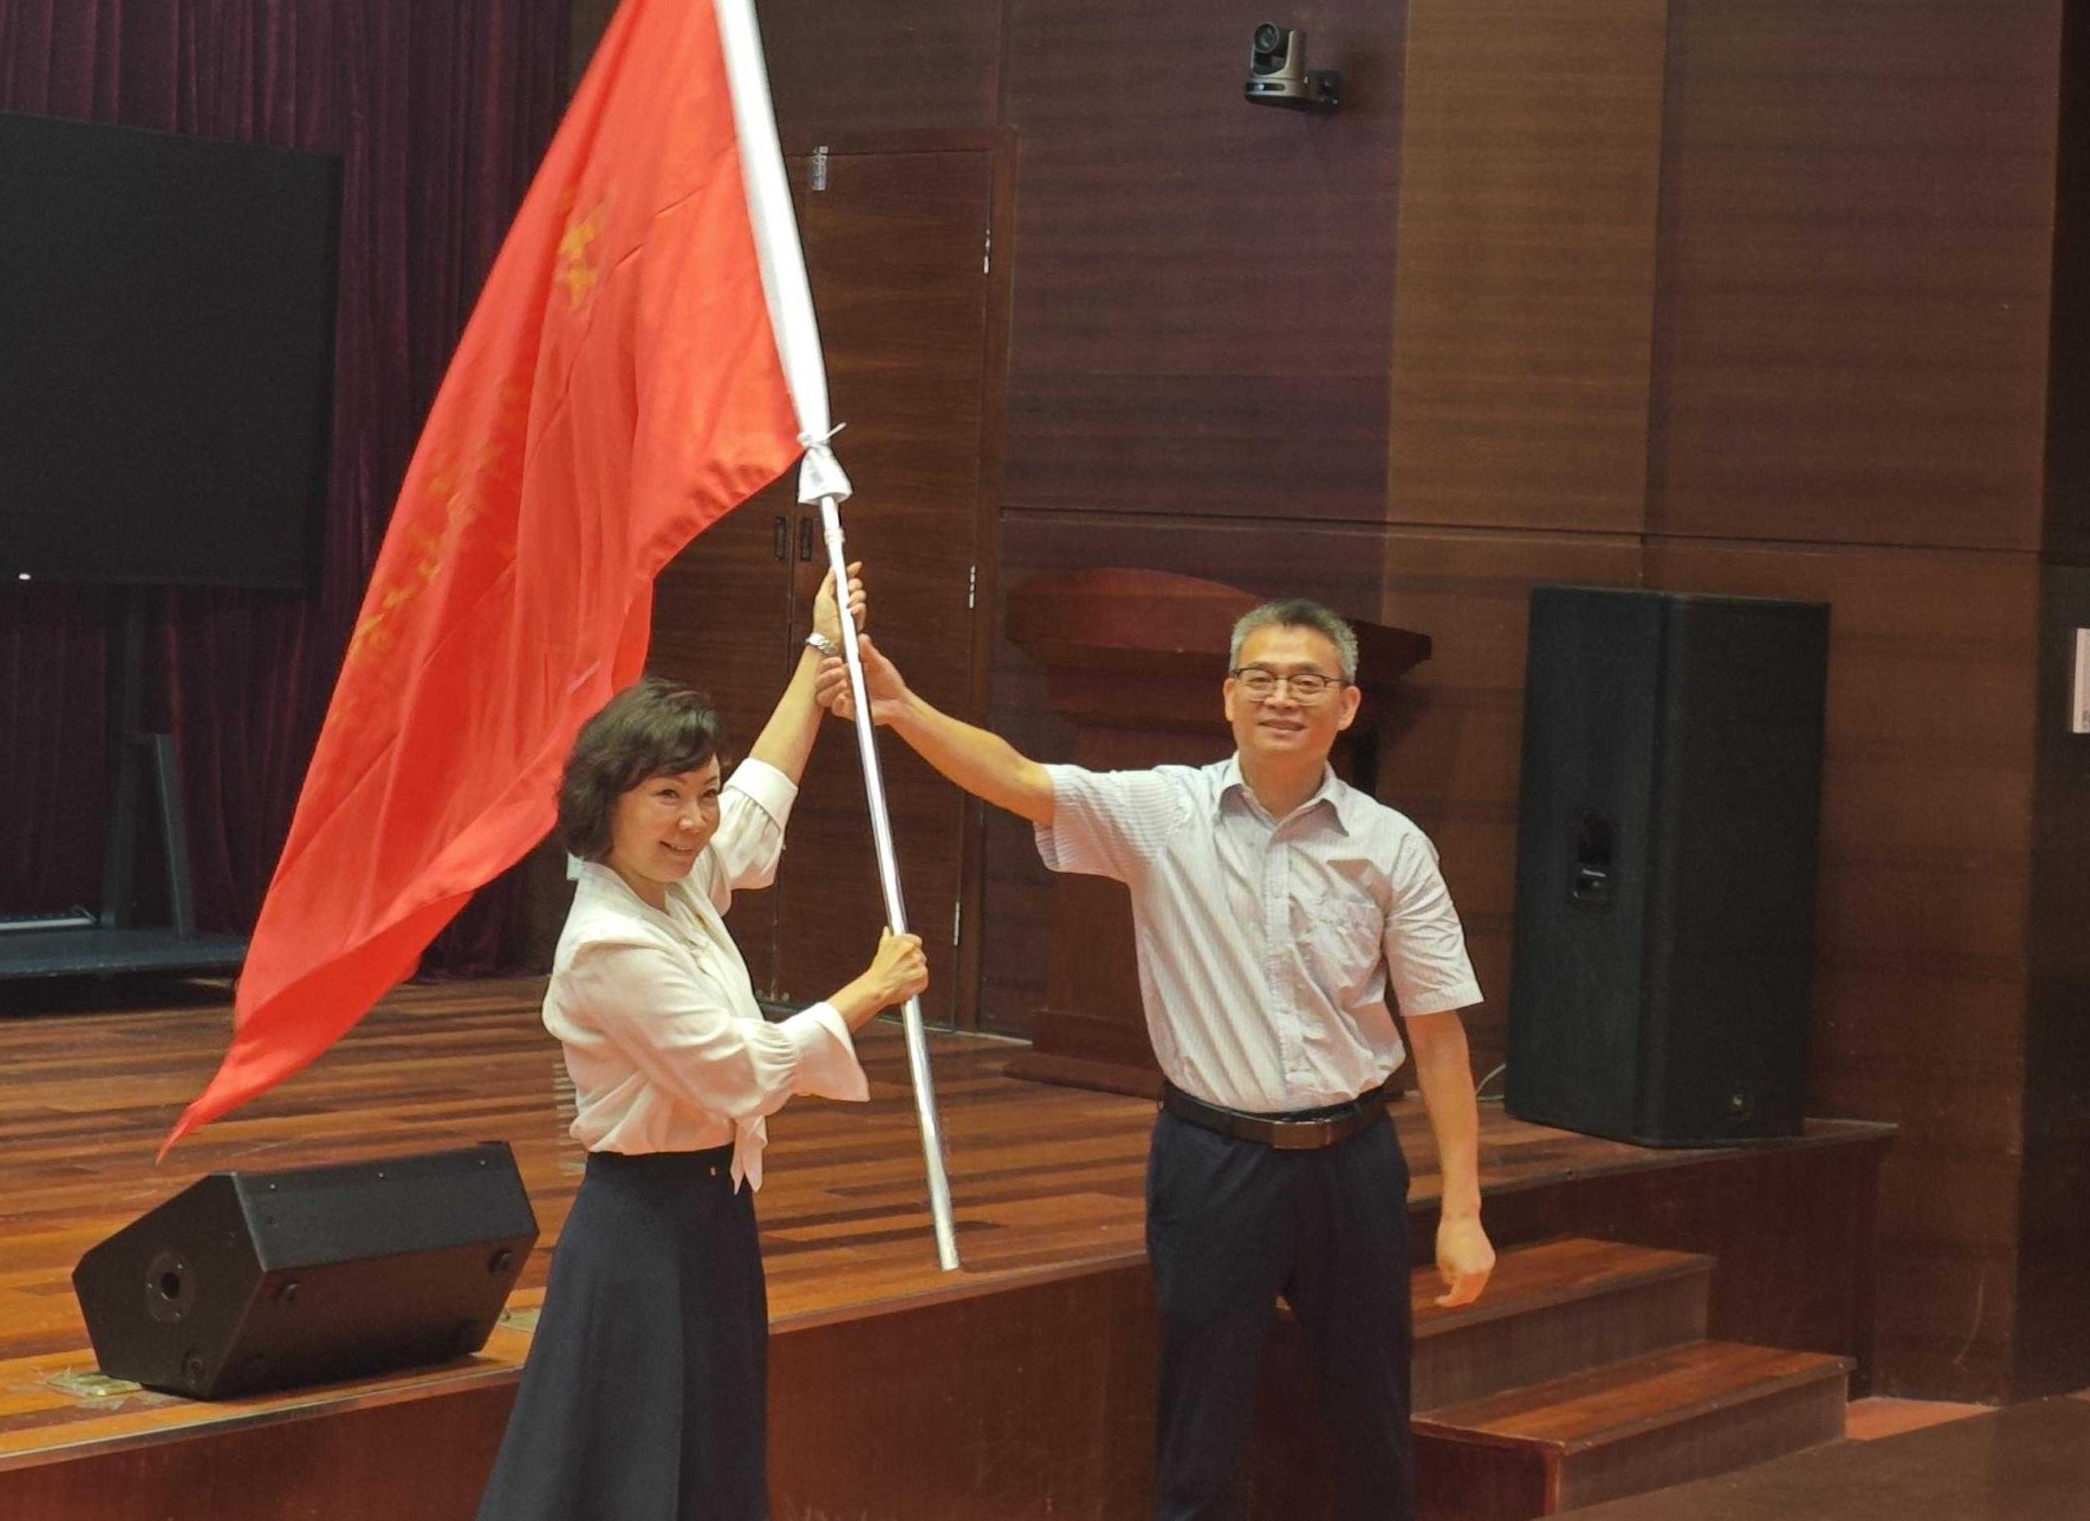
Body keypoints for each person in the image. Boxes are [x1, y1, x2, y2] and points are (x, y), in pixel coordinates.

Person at [818, 596, 1492, 1521]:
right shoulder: (1165, 812)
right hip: (1213, 1163)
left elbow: (1439, 1035)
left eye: (1307, 681)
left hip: (1355, 1164)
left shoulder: (1393, 847)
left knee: (1372, 1427)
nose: (1281, 698)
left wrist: (1463, 1212)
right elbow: (1021, 779)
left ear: (1347, 705)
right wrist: (900, 708)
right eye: (1260, 677)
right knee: (1198, 1437)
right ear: (1227, 696)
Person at [474, 567, 927, 1521]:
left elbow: (755, 813)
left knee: (711, 1462)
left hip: (713, 1215)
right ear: (608, 803)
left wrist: (817, 650)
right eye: (667, 796)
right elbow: (741, 1072)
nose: (694, 821)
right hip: (639, 1235)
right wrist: (871, 991)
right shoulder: (607, 943)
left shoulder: (670, 884)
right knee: (624, 1477)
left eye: (702, 793)